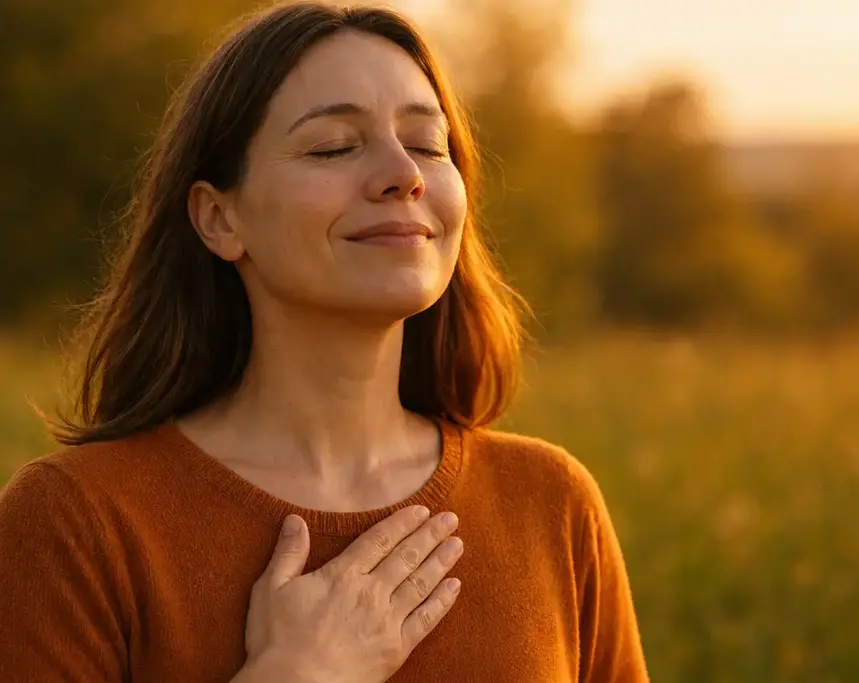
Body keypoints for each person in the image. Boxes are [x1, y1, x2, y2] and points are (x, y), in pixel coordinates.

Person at [0, 3, 650, 682]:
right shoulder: (76, 522)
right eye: (335, 146)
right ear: (220, 219)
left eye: (428, 144)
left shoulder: (549, 502)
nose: (406, 174)